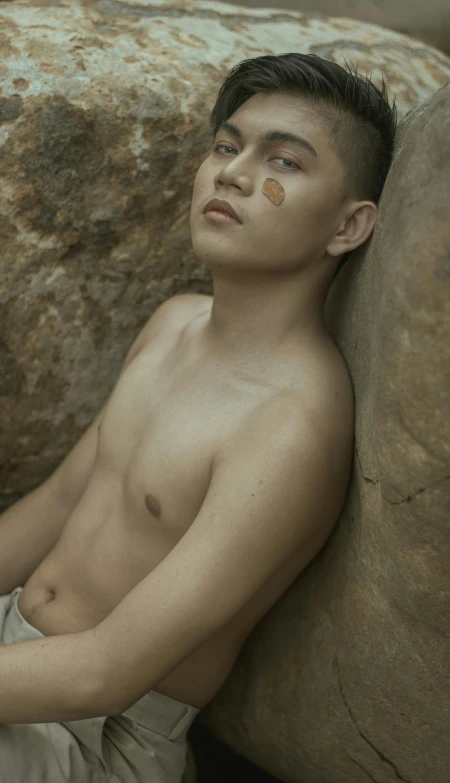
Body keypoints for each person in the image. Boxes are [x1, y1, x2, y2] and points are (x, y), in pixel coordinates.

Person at [0, 52, 397, 782]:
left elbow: (108, 671)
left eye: (284, 159)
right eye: (226, 145)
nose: (233, 172)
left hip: (92, 736)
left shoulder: (292, 425)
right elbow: (57, 502)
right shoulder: (175, 323)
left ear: (348, 226)